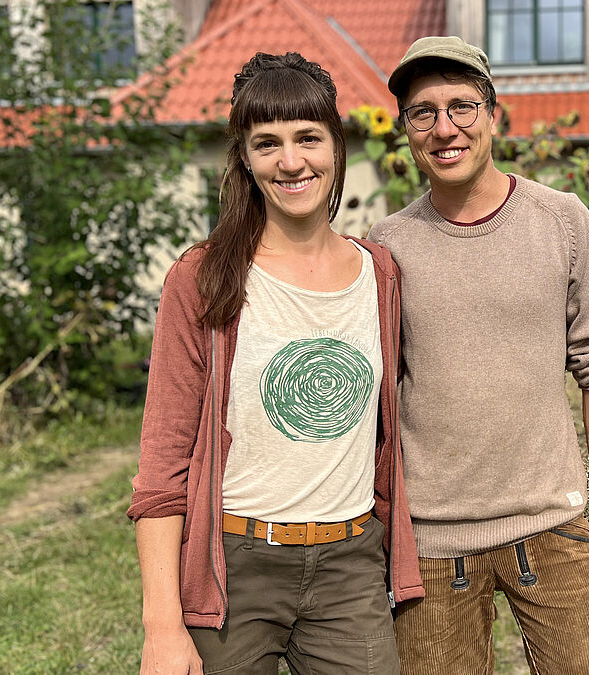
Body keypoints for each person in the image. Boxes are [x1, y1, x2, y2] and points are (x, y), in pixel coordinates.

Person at [128, 52, 422, 675]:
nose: (291, 161)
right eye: (268, 143)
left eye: (308, 138)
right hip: (235, 569)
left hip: (350, 565)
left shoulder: (381, 276)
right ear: (245, 158)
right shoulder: (203, 278)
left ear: (337, 148)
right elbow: (162, 468)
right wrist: (162, 624)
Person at [367, 36, 589, 675]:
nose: (444, 128)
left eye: (461, 107)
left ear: (493, 114)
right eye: (422, 112)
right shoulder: (386, 246)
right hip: (432, 539)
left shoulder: (561, 221)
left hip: (553, 523)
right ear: (405, 130)